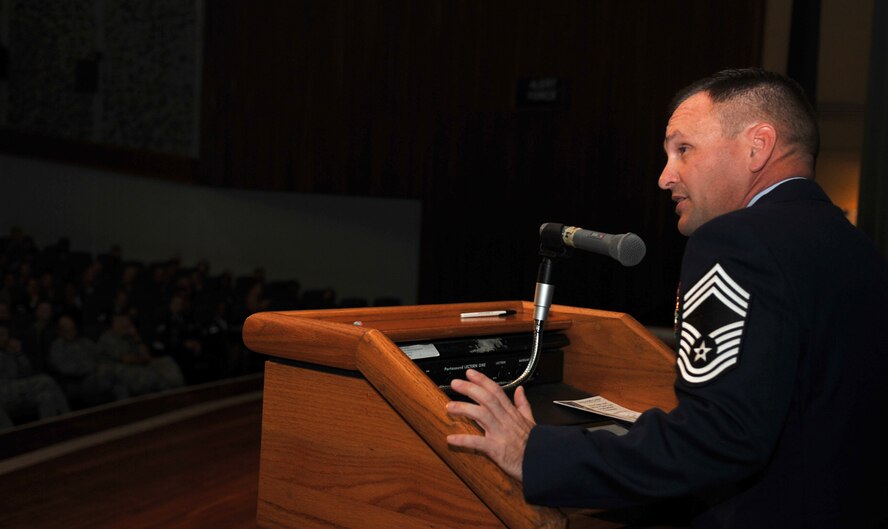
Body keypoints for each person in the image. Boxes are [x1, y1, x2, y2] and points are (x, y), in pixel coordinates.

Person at [445, 68, 888, 528]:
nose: (664, 177)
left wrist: (534, 453)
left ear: (758, 146)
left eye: (684, 149)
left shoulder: (737, 242)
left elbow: (720, 436)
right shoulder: (856, 248)